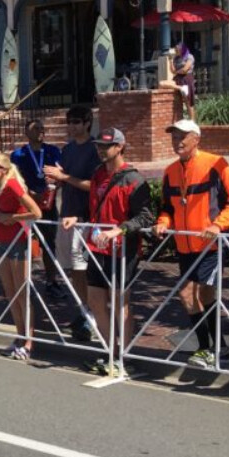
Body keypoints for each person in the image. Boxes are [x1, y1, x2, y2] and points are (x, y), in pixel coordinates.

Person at [61, 128, 154, 375]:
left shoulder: (134, 179)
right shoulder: (98, 174)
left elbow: (145, 217)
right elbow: (95, 208)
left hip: (123, 249)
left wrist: (118, 230)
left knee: (121, 302)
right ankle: (110, 352)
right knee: (95, 300)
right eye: (99, 146)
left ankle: (124, 357)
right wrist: (77, 217)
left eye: (107, 146)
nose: (101, 150)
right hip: (97, 246)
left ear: (120, 147)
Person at [153, 119, 229, 368]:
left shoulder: (216, 163)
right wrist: (162, 222)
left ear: (196, 139)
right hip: (184, 247)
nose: (177, 141)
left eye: (182, 136)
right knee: (194, 296)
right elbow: (167, 207)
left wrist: (218, 225)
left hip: (210, 246)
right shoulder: (170, 171)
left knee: (196, 293)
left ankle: (208, 348)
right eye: (174, 137)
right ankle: (217, 348)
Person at [43, 105, 101, 343]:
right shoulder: (67, 149)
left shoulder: (95, 149)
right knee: (71, 269)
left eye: (76, 122)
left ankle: (92, 316)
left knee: (83, 268)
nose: (72, 126)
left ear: (87, 123)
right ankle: (82, 311)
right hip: (66, 214)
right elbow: (65, 180)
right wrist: (56, 180)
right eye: (69, 122)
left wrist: (64, 177)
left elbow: (94, 186)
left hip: (84, 218)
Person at [0, 153, 42, 360]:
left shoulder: (12, 185)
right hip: (2, 240)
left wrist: (12, 217)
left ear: (3, 170)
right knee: (10, 291)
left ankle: (29, 341)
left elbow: (36, 212)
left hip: (19, 239)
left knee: (22, 291)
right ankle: (19, 336)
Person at [9, 119, 62, 296]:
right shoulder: (18, 155)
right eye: (36, 128)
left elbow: (62, 174)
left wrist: (55, 183)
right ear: (26, 132)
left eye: (42, 128)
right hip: (26, 205)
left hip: (48, 204)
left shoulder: (53, 151)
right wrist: (30, 193)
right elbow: (14, 178)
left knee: (49, 244)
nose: (40, 131)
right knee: (22, 243)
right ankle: (22, 281)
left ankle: (51, 281)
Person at [171, 42, 196, 119]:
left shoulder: (189, 56)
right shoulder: (176, 58)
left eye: (177, 50)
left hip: (186, 78)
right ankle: (180, 88)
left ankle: (192, 120)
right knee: (162, 84)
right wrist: (171, 60)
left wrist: (177, 71)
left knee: (188, 101)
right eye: (176, 50)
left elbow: (185, 70)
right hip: (177, 78)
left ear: (182, 49)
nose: (176, 51)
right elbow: (172, 70)